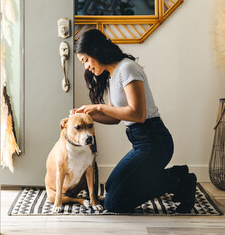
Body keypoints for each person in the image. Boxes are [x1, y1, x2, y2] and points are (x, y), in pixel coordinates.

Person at [71, 29, 197, 213]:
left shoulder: (127, 68)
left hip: (155, 142)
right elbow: (115, 118)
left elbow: (138, 114)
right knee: (111, 186)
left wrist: (98, 107)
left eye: (86, 60)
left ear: (96, 51)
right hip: (140, 143)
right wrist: (86, 115)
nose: (86, 67)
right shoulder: (112, 75)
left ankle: (178, 182)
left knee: (114, 203)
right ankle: (176, 173)